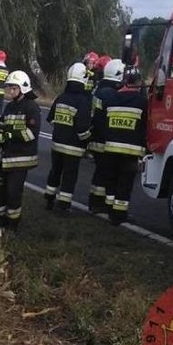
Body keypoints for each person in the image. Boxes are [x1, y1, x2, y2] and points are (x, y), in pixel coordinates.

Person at [0, 70, 41, 230]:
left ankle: (13, 226)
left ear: (23, 88)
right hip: (6, 158)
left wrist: (9, 135)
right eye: (9, 88)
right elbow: (1, 123)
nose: (10, 91)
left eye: (14, 88)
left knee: (13, 193)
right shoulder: (10, 107)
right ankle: (2, 220)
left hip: (21, 158)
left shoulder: (31, 107)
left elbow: (31, 133)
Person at [43, 63, 93, 214]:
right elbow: (83, 127)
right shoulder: (83, 100)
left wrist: (62, 129)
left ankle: (49, 198)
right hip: (73, 147)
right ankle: (63, 206)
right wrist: (87, 141)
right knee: (69, 176)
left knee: (55, 171)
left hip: (57, 144)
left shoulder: (61, 97)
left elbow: (51, 119)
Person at [102, 68, 148, 225]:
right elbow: (146, 126)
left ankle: (109, 210)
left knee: (111, 181)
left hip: (110, 148)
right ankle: (119, 216)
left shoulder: (112, 99)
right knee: (125, 183)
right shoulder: (142, 102)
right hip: (130, 151)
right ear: (139, 84)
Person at [87, 58, 125, 213]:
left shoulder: (99, 89)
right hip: (105, 140)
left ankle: (95, 203)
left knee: (100, 174)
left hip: (96, 137)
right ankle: (107, 206)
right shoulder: (110, 94)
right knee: (109, 175)